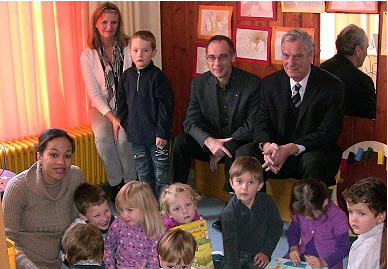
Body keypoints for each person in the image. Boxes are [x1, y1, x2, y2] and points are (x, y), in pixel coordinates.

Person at [240, 28, 345, 187]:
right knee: (245, 153)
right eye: (286, 56)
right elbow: (261, 123)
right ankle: (252, 209)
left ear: (311, 56)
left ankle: (308, 211)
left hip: (311, 151)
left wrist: (291, 148)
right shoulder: (270, 83)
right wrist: (268, 146)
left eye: (298, 56)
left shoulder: (331, 86)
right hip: (276, 150)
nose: (290, 63)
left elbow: (328, 133)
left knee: (313, 162)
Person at [2, 128, 84, 269]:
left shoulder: (75, 177)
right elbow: (7, 242)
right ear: (39, 156)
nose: (61, 162)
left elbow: (77, 222)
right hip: (19, 261)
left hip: (52, 264)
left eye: (67, 156)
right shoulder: (18, 187)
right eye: (53, 155)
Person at [171, 34, 261, 193]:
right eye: (211, 58)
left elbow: (252, 124)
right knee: (180, 142)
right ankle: (175, 194)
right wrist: (208, 141)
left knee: (234, 149)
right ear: (206, 58)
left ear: (233, 56)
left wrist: (222, 147)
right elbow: (190, 122)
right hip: (210, 143)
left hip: (237, 141)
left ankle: (232, 202)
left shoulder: (252, 83)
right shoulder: (199, 83)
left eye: (223, 57)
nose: (217, 63)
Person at [159, 183, 257, 269]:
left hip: (202, 265)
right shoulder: (168, 233)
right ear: (168, 214)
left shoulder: (198, 223)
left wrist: (205, 246)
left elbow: (205, 249)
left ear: (195, 204)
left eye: (188, 205)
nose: (185, 211)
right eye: (177, 209)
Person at [80, 1, 136, 202]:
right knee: (103, 139)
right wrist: (112, 118)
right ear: (95, 24)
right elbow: (94, 94)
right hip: (101, 108)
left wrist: (124, 114)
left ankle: (130, 185)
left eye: (113, 22)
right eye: (104, 22)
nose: (109, 27)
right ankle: (116, 183)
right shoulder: (88, 54)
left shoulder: (129, 46)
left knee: (123, 140)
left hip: (127, 105)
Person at [117, 31, 174, 198]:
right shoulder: (127, 76)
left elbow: (166, 106)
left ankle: (163, 206)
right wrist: (127, 124)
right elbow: (121, 103)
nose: (139, 54)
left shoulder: (158, 77)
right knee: (143, 173)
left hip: (158, 138)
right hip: (137, 137)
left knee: (161, 173)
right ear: (130, 52)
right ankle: (148, 205)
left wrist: (162, 132)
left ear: (154, 52)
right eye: (135, 50)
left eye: (145, 50)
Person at [220, 156, 283, 269]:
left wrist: (266, 251)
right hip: (235, 255)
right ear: (231, 183)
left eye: (251, 182)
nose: (244, 187)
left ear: (260, 185)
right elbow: (230, 248)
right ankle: (222, 263)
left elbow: (276, 227)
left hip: (257, 253)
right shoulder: (228, 213)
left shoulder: (268, 202)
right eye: (239, 181)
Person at [104, 181, 165, 269]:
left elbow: (154, 261)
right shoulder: (118, 225)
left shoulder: (155, 229)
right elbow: (108, 247)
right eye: (121, 210)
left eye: (129, 210)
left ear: (145, 208)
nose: (124, 215)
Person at [287, 178, 350, 269]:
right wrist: (293, 247)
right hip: (302, 256)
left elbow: (344, 248)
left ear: (325, 202)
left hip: (327, 264)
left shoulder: (338, 217)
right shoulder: (301, 208)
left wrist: (323, 261)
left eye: (311, 214)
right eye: (302, 214)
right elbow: (293, 230)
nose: (306, 218)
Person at [321, 24, 376, 119]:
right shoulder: (362, 81)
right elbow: (372, 118)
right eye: (366, 48)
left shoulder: (320, 69)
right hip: (352, 132)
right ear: (358, 50)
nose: (366, 54)